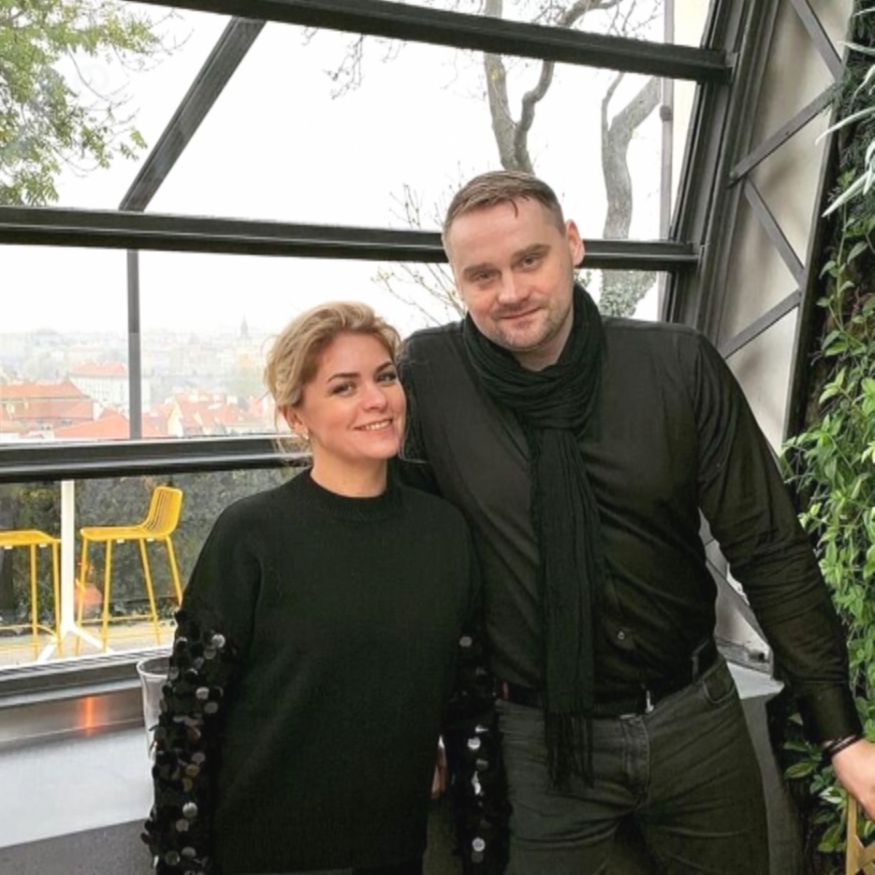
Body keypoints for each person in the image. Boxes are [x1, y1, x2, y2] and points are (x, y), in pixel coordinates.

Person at [398, 170, 875, 874]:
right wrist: (414, 722)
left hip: (695, 721)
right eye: (482, 275)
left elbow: (768, 546)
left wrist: (841, 735)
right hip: (535, 741)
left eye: (530, 259)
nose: (511, 291)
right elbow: (405, 560)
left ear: (572, 244)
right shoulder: (430, 378)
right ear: (456, 280)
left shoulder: (675, 365)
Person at [143, 302, 493, 875]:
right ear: (295, 416)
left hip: (392, 854)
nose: (376, 399)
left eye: (384, 377)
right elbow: (188, 726)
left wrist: (483, 850)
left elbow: (469, 709)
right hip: (261, 856)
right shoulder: (251, 535)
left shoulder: (445, 533)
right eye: (343, 387)